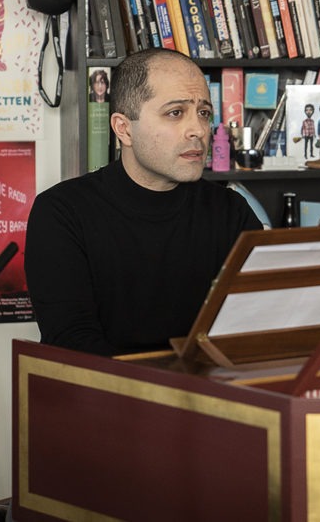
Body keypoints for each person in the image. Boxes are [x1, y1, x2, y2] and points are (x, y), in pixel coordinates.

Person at [25, 48, 263, 356]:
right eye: (175, 113)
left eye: (203, 113)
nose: (198, 131)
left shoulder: (231, 211)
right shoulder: (62, 212)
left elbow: (256, 325)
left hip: (211, 393)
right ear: (124, 129)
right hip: (106, 397)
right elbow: (73, 343)